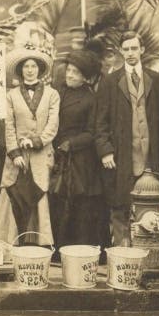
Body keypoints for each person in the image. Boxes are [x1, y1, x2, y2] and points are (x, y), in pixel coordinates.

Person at [94, 31, 159, 245]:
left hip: (150, 156)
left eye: (134, 48)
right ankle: (122, 254)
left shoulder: (157, 80)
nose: (130, 53)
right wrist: (105, 150)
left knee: (150, 206)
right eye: (125, 49)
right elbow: (100, 121)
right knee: (120, 206)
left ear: (142, 50)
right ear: (120, 51)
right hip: (122, 155)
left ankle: (149, 252)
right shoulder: (110, 82)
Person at [0, 43, 59, 246]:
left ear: (39, 69)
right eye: (26, 66)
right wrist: (15, 154)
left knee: (40, 192)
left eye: (33, 66)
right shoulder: (11, 95)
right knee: (13, 190)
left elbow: (53, 124)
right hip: (18, 155)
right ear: (20, 70)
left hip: (41, 154)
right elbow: (9, 125)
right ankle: (10, 241)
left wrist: (36, 141)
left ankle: (41, 242)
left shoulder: (52, 94)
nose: (30, 70)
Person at [48, 49, 106, 249]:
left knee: (78, 204)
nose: (70, 75)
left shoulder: (90, 99)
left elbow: (92, 132)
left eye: (75, 72)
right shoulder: (57, 92)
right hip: (56, 155)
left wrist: (71, 144)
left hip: (80, 160)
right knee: (56, 201)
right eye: (69, 70)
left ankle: (77, 249)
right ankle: (57, 249)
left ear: (85, 77)